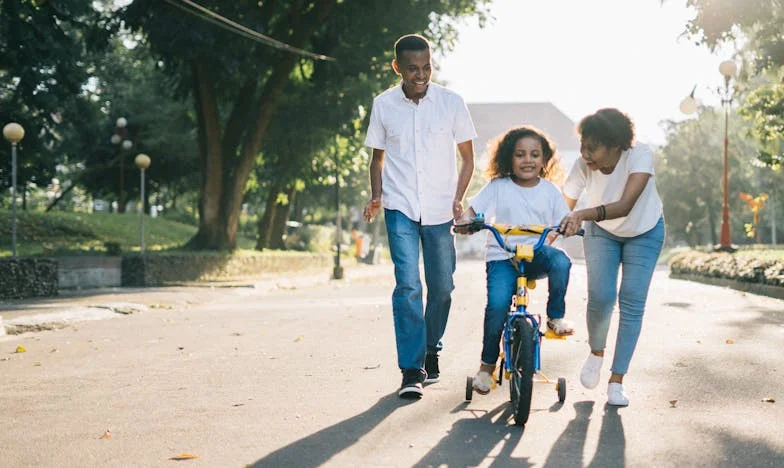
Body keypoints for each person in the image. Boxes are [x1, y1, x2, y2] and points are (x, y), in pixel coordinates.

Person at [362, 34, 477, 399]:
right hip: (400, 207)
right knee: (409, 285)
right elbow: (377, 159)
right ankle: (411, 369)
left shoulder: (451, 103)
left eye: (426, 67)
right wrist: (377, 196)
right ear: (397, 67)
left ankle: (431, 349)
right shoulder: (383, 105)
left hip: (441, 209)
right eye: (412, 68)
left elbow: (468, 158)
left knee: (442, 288)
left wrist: (459, 198)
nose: (421, 74)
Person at [455, 126, 574, 394]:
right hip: (502, 256)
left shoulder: (551, 191)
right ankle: (486, 367)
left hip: (536, 254)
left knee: (562, 262)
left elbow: (563, 221)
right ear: (509, 158)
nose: (528, 160)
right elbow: (473, 211)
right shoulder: (498, 187)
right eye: (520, 154)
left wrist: (568, 227)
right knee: (497, 306)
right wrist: (466, 221)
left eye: (535, 154)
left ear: (544, 160)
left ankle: (556, 316)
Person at [559, 108, 665, 407]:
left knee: (631, 300)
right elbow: (561, 207)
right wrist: (546, 235)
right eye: (583, 145)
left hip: (644, 230)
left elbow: (626, 205)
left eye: (592, 148)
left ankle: (617, 381)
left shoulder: (639, 155)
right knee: (601, 297)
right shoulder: (583, 165)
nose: (585, 154)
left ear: (616, 144)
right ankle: (596, 352)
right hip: (602, 233)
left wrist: (581, 214)